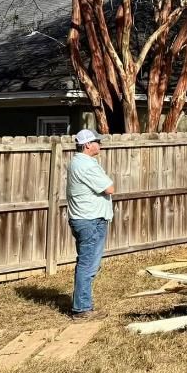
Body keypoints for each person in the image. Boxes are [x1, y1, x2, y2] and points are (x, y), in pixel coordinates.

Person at [66, 129, 115, 320]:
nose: (99, 144)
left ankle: (83, 304)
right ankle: (82, 309)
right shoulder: (86, 165)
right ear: (87, 145)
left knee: (86, 263)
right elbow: (109, 188)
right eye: (97, 141)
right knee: (88, 265)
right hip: (90, 220)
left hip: (82, 218)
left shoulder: (77, 162)